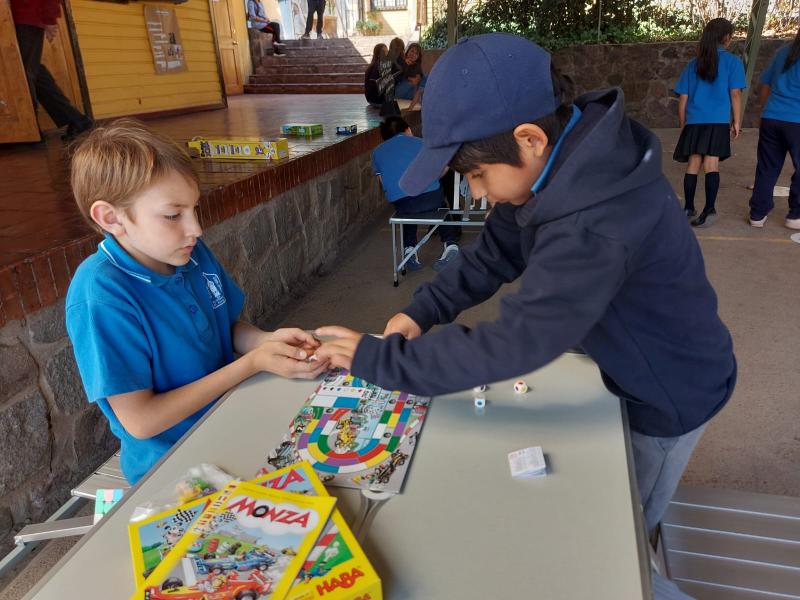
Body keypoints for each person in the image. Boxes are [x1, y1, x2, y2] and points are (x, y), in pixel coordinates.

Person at [314, 34, 736, 599]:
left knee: (617, 551)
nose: (477, 192)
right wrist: (421, 311)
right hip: (624, 365)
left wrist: (378, 359)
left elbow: (517, 342)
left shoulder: (595, 222)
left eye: (477, 175)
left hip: (666, 395)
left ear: (529, 139)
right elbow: (495, 251)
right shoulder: (563, 160)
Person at [65, 120, 328, 484]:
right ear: (111, 218)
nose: (196, 229)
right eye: (173, 215)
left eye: (194, 209)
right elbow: (142, 421)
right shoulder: (101, 295)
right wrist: (251, 364)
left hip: (229, 418)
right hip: (172, 463)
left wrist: (266, 341)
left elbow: (228, 326)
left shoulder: (188, 253)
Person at [674, 18, 745, 228]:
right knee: (711, 164)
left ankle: (688, 208)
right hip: (717, 121)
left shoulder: (693, 64)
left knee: (693, 163)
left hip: (695, 121)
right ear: (726, 38)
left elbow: (683, 99)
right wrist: (737, 121)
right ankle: (709, 209)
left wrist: (683, 124)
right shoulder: (733, 62)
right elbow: (735, 94)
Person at [373, 116, 459, 271]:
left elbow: (383, 182)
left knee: (406, 210)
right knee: (441, 206)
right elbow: (443, 169)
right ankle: (450, 245)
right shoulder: (423, 144)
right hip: (430, 199)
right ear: (407, 130)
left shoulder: (377, 152)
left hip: (402, 204)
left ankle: (409, 250)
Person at [10, 0, 93, 140]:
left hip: (26, 18)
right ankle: (77, 120)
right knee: (33, 72)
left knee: (24, 73)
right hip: (13, 19)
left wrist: (50, 18)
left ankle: (30, 130)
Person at [748, 26, 800, 229]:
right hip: (797, 122)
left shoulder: (783, 52)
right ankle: (795, 215)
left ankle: (757, 215)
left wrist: (766, 111)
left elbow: (765, 87)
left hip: (772, 117)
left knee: (767, 167)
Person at [395, 43, 427, 109]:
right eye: (412, 51)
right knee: (422, 79)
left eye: (416, 53)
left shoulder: (417, 65)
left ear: (418, 56)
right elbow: (398, 76)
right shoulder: (401, 60)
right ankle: (417, 102)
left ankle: (420, 99)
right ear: (408, 51)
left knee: (425, 78)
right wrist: (405, 65)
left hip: (409, 94)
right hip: (398, 91)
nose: (413, 54)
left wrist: (417, 79)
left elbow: (417, 79)